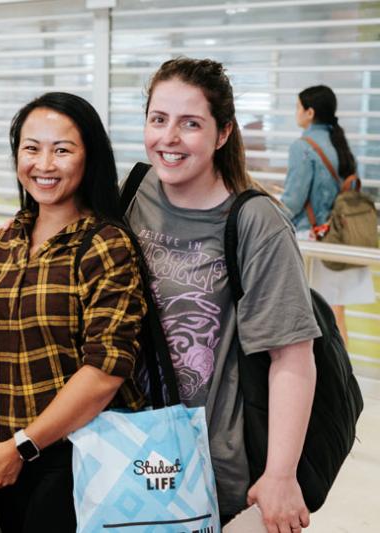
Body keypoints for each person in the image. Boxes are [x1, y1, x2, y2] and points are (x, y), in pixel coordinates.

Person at [124, 58, 320, 530]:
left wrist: (280, 474)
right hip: (124, 447)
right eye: (158, 119)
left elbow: (291, 356)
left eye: (190, 123)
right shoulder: (133, 191)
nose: (169, 138)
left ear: (223, 133)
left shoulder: (255, 222)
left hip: (207, 465)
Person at [0, 92, 147, 532]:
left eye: (62, 150)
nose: (44, 164)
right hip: (0, 459)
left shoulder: (105, 244)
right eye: (31, 148)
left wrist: (24, 446)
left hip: (74, 463)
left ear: (89, 158)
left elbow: (105, 371)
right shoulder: (6, 241)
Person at [280, 85, 375, 342]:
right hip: (338, 239)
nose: (296, 113)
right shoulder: (340, 143)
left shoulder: (303, 147)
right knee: (335, 314)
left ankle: (318, 379)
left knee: (308, 317)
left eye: (298, 107)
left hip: (313, 242)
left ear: (309, 112)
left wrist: (270, 216)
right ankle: (342, 378)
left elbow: (294, 200)